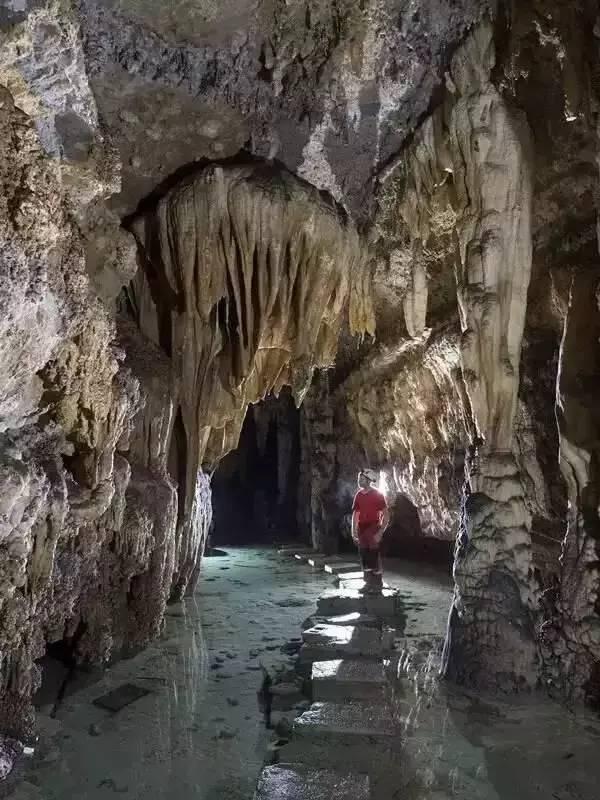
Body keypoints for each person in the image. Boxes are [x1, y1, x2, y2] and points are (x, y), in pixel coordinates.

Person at [351, 469, 390, 592]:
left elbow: (386, 515)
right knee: (363, 555)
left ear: (368, 481)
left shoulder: (377, 495)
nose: (359, 480)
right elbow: (355, 514)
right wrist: (353, 530)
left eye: (361, 478)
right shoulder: (358, 495)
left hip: (373, 527)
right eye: (359, 478)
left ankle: (377, 583)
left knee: (373, 554)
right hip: (362, 527)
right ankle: (368, 583)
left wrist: (380, 532)